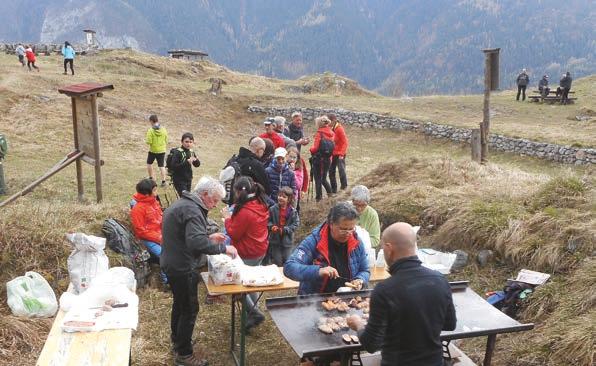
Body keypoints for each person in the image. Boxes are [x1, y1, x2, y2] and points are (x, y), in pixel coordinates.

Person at [347, 222, 456, 366]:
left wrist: (359, 325)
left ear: (388, 248)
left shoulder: (385, 290)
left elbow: (371, 344)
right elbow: (450, 324)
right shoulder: (440, 280)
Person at [161, 177, 237, 366]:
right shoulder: (193, 210)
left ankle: (178, 340)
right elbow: (195, 242)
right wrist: (223, 249)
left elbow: (186, 235)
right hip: (182, 266)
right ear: (204, 195)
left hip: (171, 261)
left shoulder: (184, 203)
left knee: (179, 304)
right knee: (189, 308)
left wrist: (209, 237)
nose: (215, 205)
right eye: (215, 200)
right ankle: (184, 355)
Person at [284, 202, 370, 295]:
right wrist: (318, 271)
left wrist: (360, 279)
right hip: (315, 300)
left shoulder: (357, 242)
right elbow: (289, 268)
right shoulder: (314, 241)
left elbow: (364, 270)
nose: (348, 233)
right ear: (331, 224)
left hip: (346, 298)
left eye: (351, 229)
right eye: (343, 229)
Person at [221, 177, 269, 331]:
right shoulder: (260, 203)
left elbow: (234, 233)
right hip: (260, 249)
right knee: (251, 281)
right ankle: (250, 315)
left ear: (238, 192)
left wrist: (227, 218)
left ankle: (254, 313)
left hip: (246, 252)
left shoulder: (246, 211)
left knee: (236, 284)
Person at [130, 178, 167, 284]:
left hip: (160, 234)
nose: (156, 193)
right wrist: (159, 238)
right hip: (147, 239)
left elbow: (160, 218)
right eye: (154, 190)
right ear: (146, 194)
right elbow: (141, 232)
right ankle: (167, 282)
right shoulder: (137, 209)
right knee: (164, 255)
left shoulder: (154, 202)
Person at [268, 186, 300, 266]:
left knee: (287, 260)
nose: (281, 198)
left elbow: (296, 224)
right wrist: (271, 227)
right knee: (277, 261)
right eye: (279, 196)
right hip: (275, 240)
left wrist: (286, 229)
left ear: (289, 199)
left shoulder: (293, 211)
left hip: (287, 241)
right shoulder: (272, 209)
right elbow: (268, 221)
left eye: (284, 197)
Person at [309, 116, 334, 202]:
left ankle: (318, 198)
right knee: (323, 178)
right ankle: (330, 194)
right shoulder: (331, 133)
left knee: (318, 179)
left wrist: (310, 150)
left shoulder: (319, 134)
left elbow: (315, 148)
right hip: (328, 159)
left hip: (319, 159)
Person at [168, 133, 201, 197]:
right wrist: (186, 162)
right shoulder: (178, 152)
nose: (188, 144)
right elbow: (174, 167)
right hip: (179, 179)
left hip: (188, 178)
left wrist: (196, 160)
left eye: (191, 142)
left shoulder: (191, 152)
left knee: (187, 197)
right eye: (186, 142)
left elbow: (197, 165)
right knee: (185, 197)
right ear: (182, 142)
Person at [145, 114, 168, 187]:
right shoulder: (164, 129)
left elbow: (149, 141)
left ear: (151, 121)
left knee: (149, 163)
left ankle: (151, 178)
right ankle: (163, 181)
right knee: (161, 166)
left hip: (153, 150)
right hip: (162, 150)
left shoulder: (150, 130)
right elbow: (166, 139)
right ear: (157, 120)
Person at [328, 114, 348, 193]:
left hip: (340, 154)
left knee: (341, 170)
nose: (328, 123)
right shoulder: (331, 128)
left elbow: (345, 142)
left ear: (333, 120)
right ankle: (334, 190)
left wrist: (342, 154)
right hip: (333, 154)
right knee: (331, 172)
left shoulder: (339, 129)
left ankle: (344, 187)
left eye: (329, 122)